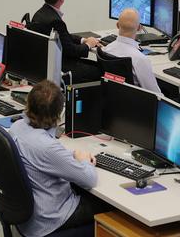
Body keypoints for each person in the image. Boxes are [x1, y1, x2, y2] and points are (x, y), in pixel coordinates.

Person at [9, 80, 108, 235]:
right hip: (50, 220)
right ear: (57, 114)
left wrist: (70, 156)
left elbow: (42, 159)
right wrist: (83, 160)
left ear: (28, 103)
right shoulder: (47, 147)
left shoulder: (17, 127)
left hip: (26, 217)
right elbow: (90, 179)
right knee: (110, 205)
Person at [30, 0, 102, 83]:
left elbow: (65, 37)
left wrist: (83, 40)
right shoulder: (56, 21)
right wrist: (89, 45)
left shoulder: (39, 14)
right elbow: (71, 51)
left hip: (45, 64)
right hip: (61, 66)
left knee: (95, 65)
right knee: (100, 70)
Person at [102, 8, 162, 94]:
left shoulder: (107, 49)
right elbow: (156, 94)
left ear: (118, 25)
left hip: (113, 99)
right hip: (136, 103)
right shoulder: (140, 59)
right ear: (139, 28)